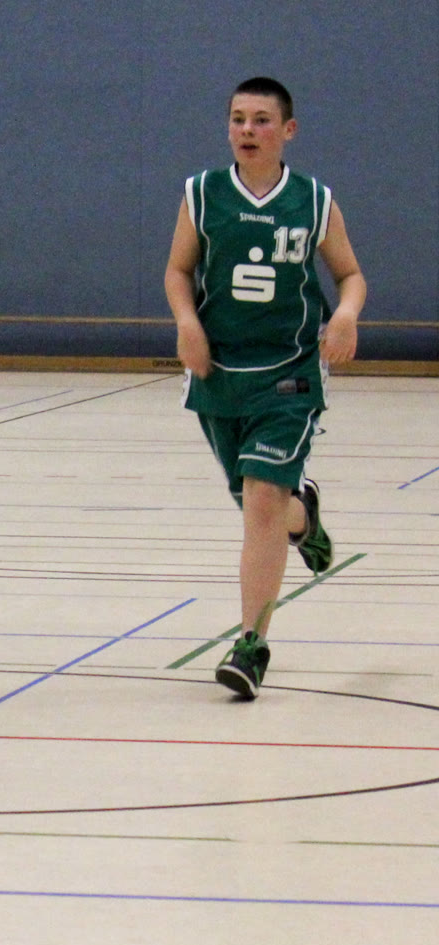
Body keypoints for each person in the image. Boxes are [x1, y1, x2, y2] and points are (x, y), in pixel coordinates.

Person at [163, 76, 363, 699]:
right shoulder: (201, 194)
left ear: (288, 130)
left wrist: (346, 314)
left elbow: (350, 275)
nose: (247, 130)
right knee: (261, 503)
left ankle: (251, 644)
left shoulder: (314, 201)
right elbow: (178, 270)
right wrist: (187, 322)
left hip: (289, 374)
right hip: (219, 375)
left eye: (261, 120)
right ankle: (305, 516)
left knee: (260, 501)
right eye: (238, 119)